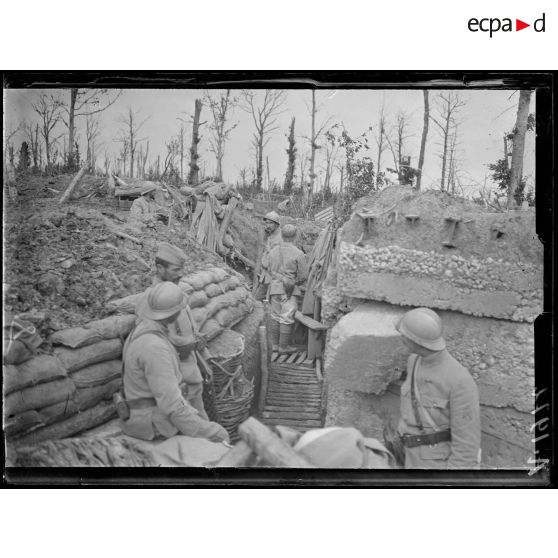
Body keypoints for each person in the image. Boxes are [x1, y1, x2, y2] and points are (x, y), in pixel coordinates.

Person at [121, 281, 229, 443]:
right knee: (218, 439)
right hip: (156, 426)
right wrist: (212, 431)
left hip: (155, 415)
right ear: (175, 313)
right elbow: (172, 407)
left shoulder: (146, 331)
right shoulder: (154, 347)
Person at [395, 307, 481, 469]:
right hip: (407, 457)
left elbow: (467, 447)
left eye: (404, 335)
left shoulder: (459, 380)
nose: (401, 338)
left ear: (416, 341)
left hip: (435, 465)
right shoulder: (414, 361)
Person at [141, 242, 208, 419]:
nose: (181, 274)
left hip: (192, 377)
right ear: (160, 268)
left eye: (182, 269)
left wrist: (198, 343)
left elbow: (187, 328)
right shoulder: (152, 300)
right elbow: (152, 342)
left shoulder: (176, 293)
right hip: (176, 385)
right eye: (176, 269)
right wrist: (185, 343)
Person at [263, 224, 308, 353]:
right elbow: (303, 275)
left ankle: (275, 345)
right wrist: (293, 283)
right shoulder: (298, 253)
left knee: (275, 316)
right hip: (289, 290)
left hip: (274, 288)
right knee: (286, 317)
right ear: (295, 236)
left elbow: (269, 268)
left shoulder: (273, 251)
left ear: (281, 235)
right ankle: (283, 347)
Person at [254, 211, 282, 301]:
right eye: (266, 223)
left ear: (277, 224)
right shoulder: (270, 236)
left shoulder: (280, 238)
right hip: (266, 275)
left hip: (275, 277)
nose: (268, 225)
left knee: (273, 303)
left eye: (270, 223)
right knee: (257, 299)